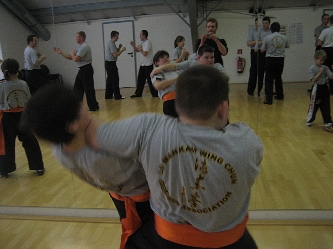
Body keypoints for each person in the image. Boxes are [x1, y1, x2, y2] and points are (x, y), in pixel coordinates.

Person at [86, 65, 263, 248]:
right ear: (223, 108)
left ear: (177, 104)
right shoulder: (247, 141)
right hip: (231, 243)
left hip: (164, 242)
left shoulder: (149, 129)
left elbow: (95, 138)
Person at [20, 85, 152, 249]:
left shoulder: (59, 150)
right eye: (80, 105)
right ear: (72, 125)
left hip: (118, 194)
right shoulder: (103, 156)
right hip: (142, 198)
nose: (85, 105)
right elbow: (147, 169)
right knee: (145, 237)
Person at [0, 58, 44, 178]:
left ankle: (5, 170)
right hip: (23, 116)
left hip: (8, 117)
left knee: (7, 144)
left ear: (4, 70)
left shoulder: (2, 86)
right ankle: (38, 166)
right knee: (30, 141)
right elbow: (29, 100)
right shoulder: (23, 83)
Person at [54, 31, 99, 112]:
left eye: (77, 37)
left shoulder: (84, 47)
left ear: (81, 38)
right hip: (81, 70)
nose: (76, 38)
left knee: (88, 89)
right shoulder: (80, 47)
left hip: (86, 69)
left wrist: (72, 54)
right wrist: (61, 53)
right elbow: (70, 57)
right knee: (77, 90)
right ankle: (77, 108)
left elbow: (75, 59)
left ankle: (93, 107)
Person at [261, 22, 289, 105]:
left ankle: (269, 99)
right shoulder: (284, 37)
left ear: (271, 29)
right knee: (278, 77)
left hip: (270, 59)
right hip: (280, 59)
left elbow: (262, 49)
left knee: (269, 79)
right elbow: (287, 46)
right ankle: (280, 95)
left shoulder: (267, 37)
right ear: (279, 29)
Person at [151, 45, 226, 76]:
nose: (210, 60)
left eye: (212, 57)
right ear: (199, 57)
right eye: (206, 58)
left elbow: (224, 79)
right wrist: (159, 68)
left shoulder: (218, 67)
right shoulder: (191, 64)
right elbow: (175, 66)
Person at [306, 50, 333, 133]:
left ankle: (328, 122)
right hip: (316, 88)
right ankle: (310, 119)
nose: (322, 62)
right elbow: (313, 80)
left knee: (326, 105)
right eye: (320, 60)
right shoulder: (312, 68)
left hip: (324, 87)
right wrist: (320, 72)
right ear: (315, 59)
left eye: (323, 60)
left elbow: (331, 77)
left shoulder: (325, 67)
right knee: (314, 105)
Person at [152, 50, 181, 117]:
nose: (166, 58)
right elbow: (158, 86)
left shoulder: (176, 71)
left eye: (167, 57)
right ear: (156, 63)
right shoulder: (157, 73)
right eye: (162, 57)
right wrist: (176, 78)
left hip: (182, 100)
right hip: (170, 102)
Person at [130, 30, 158, 98]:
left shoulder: (148, 43)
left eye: (140, 35)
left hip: (148, 65)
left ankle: (155, 94)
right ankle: (138, 93)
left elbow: (145, 53)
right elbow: (137, 50)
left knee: (150, 81)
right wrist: (133, 45)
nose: (139, 36)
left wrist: (141, 49)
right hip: (143, 65)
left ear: (144, 35)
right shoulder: (142, 43)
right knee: (140, 80)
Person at [247, 17, 271, 96]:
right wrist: (260, 42)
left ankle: (260, 90)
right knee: (253, 70)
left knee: (263, 71)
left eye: (262, 23)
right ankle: (250, 90)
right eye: (257, 23)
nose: (260, 25)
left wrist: (262, 42)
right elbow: (249, 44)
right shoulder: (252, 31)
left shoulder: (269, 32)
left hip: (265, 52)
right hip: (255, 52)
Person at [105, 31, 126, 100]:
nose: (118, 38)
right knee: (115, 79)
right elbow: (115, 55)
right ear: (113, 36)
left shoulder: (112, 43)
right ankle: (117, 96)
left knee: (110, 80)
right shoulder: (111, 44)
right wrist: (122, 50)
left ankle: (108, 95)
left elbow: (115, 51)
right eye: (117, 36)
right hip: (111, 64)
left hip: (108, 63)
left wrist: (119, 48)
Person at [317, 15, 333, 95]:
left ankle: (326, 89)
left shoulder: (326, 31)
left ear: (330, 21)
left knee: (325, 69)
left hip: (327, 50)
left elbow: (319, 42)